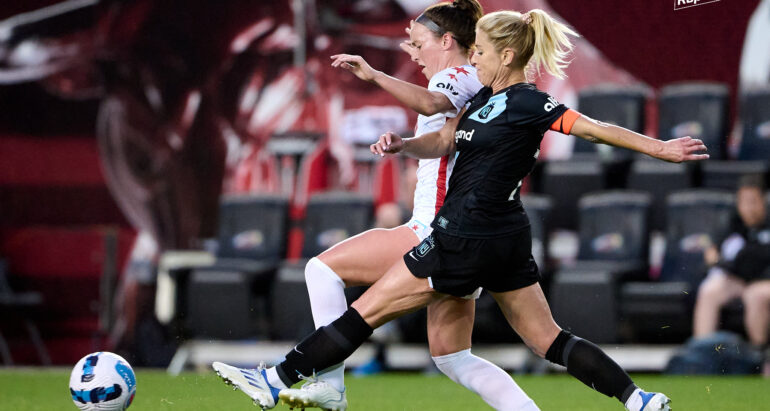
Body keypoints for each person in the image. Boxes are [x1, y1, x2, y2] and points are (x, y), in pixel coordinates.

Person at [212, 9, 708, 411]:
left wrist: (660, 149)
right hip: (504, 238)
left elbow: (596, 129)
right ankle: (638, 399)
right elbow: (446, 138)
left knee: (363, 314)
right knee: (548, 340)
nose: (475, 61)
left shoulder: (533, 104)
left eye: (483, 53)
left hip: (461, 238)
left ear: (507, 55)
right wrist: (406, 145)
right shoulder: (482, 100)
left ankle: (276, 380)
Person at [278, 1, 538, 410]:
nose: (411, 52)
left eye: (417, 43)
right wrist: (405, 147)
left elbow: (433, 105)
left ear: (447, 40)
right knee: (454, 357)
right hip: (458, 230)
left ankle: (329, 384)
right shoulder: (469, 79)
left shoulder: (457, 76)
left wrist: (375, 75)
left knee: (322, 269)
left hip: (433, 231)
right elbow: (443, 140)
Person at [693, 174, 770, 372]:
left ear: (764, 200)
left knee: (754, 295)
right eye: (744, 202)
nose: (749, 208)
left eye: (753, 202)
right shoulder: (733, 222)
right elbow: (714, 253)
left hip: (764, 282)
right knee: (710, 291)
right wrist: (713, 255)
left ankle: (760, 359)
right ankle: (700, 356)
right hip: (740, 279)